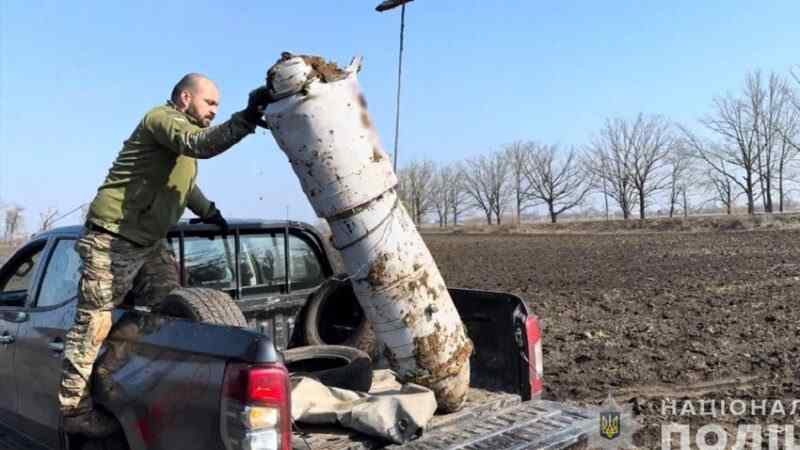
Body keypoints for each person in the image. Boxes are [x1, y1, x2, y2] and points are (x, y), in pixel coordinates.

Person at [59, 73, 272, 437]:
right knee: (94, 322)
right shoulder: (162, 119)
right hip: (113, 237)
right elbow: (201, 143)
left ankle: (124, 381)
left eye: (218, 107)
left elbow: (184, 187)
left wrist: (211, 214)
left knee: (167, 313)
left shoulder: (182, 146)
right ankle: (74, 411)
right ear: (186, 98)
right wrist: (247, 117)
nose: (213, 112)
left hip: (149, 242)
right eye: (210, 104)